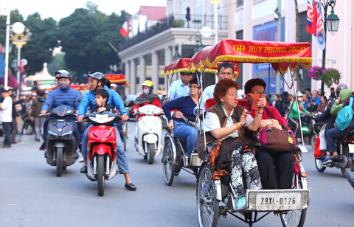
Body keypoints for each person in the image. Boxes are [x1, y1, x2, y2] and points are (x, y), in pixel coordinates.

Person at [198, 79, 264, 209]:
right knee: (235, 156)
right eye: (232, 94)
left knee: (248, 157)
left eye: (236, 94)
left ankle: (255, 193)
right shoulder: (212, 112)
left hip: (238, 145)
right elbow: (217, 134)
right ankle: (238, 196)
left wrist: (260, 111)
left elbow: (253, 127)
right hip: (219, 146)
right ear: (222, 97)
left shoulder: (239, 110)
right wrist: (239, 124)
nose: (236, 97)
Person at [77, 72, 136, 191]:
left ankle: (128, 180)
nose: (90, 83)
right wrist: (81, 114)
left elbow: (120, 105)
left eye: (92, 81)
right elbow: (83, 106)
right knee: (84, 135)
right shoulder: (89, 95)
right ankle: (85, 163)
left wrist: (124, 113)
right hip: (93, 125)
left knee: (119, 147)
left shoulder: (112, 93)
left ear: (99, 83)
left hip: (111, 126)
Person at [244, 78, 294, 189]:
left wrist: (268, 122)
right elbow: (253, 127)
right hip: (258, 147)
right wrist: (260, 113)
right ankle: (270, 191)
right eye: (257, 92)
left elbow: (283, 122)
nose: (261, 95)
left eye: (263, 92)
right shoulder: (244, 110)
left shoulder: (271, 109)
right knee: (264, 158)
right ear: (248, 96)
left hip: (276, 144)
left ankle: (285, 193)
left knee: (288, 157)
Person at [41, 71, 81, 156]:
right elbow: (47, 103)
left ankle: (77, 148)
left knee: (77, 128)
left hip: (70, 117)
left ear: (70, 81)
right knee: (46, 123)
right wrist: (44, 109)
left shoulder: (75, 93)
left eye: (65, 80)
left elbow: (78, 103)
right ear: (58, 81)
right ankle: (46, 144)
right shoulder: (53, 93)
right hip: (55, 116)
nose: (63, 82)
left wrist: (78, 111)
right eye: (61, 80)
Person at [162, 78, 200, 161]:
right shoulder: (184, 100)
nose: (192, 88)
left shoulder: (202, 101)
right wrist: (170, 120)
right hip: (181, 125)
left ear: (199, 89)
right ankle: (191, 156)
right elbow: (165, 106)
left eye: (195, 86)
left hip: (198, 125)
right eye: (190, 86)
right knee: (193, 132)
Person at [315, 84, 348, 155]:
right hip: (350, 129)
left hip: (340, 127)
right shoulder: (351, 102)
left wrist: (317, 117)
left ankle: (329, 153)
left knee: (327, 133)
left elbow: (328, 113)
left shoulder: (334, 103)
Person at [322, 88, 353, 164]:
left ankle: (334, 153)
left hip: (348, 128)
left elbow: (336, 113)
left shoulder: (348, 101)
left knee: (329, 133)